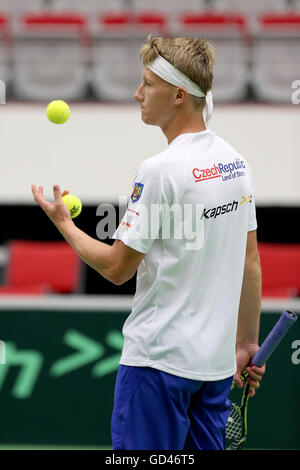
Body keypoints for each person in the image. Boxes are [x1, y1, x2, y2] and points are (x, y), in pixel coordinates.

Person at [32, 36, 265, 450]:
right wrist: (246, 344)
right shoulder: (237, 163)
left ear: (179, 94)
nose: (137, 94)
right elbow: (250, 261)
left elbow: (117, 268)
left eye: (148, 85)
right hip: (213, 370)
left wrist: (64, 224)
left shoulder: (159, 171)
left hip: (157, 366)